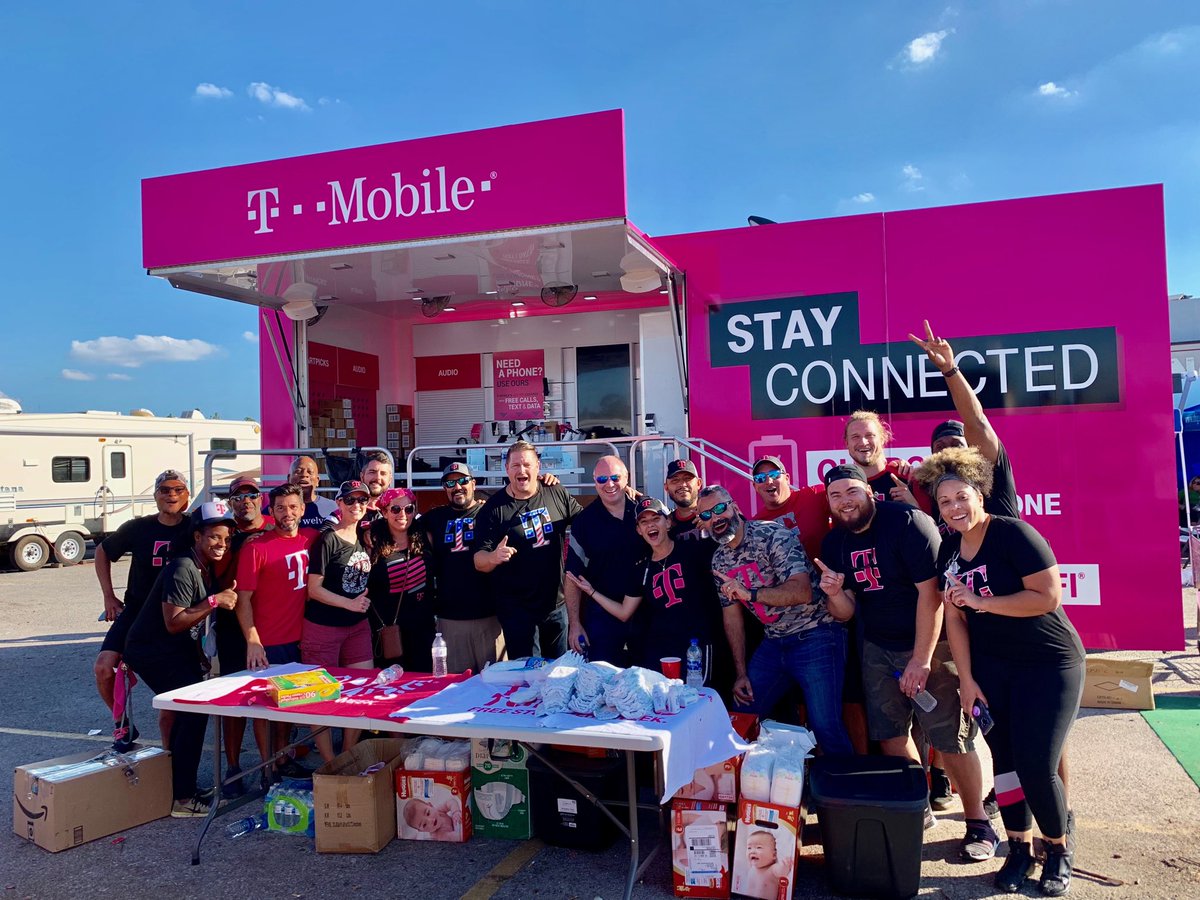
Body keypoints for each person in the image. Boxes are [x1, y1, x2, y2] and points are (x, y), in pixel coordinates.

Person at [910, 319, 1069, 827]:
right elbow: (951, 606)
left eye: (960, 450)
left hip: (1039, 649)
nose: (952, 458)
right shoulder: (948, 525)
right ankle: (1022, 835)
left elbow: (976, 424)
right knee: (1008, 755)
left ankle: (1060, 825)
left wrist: (951, 372)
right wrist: (971, 671)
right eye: (942, 454)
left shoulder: (995, 499)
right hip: (991, 658)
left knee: (1041, 752)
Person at [913, 447, 1084, 896]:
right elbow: (954, 617)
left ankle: (1058, 849)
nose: (954, 508)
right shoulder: (949, 546)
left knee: (1036, 763)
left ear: (980, 493)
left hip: (1048, 663)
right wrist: (967, 680)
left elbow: (1048, 597)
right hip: (991, 669)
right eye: (944, 502)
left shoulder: (1013, 534)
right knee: (1005, 765)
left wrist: (985, 603)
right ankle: (1019, 849)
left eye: (961, 497)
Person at [817, 463, 996, 860]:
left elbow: (930, 595)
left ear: (869, 492)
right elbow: (846, 612)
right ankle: (918, 807)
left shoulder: (907, 521)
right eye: (836, 496)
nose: (845, 502)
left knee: (950, 737)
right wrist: (833, 593)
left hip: (929, 643)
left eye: (852, 492)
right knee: (891, 735)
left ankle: (978, 822)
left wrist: (921, 659)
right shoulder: (834, 544)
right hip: (876, 649)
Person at [698, 485, 854, 756]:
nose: (716, 518)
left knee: (825, 725)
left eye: (720, 508)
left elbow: (802, 591)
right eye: (707, 514)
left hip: (816, 633)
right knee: (742, 714)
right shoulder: (720, 560)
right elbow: (731, 617)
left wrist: (751, 594)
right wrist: (741, 672)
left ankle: (845, 794)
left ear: (734, 506)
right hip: (774, 641)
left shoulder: (771, 534)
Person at [122, 501, 238, 817]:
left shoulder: (200, 567)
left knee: (189, 716)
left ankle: (177, 789)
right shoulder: (183, 567)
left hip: (173, 650)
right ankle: (183, 798)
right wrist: (216, 600)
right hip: (152, 651)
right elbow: (174, 621)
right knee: (192, 714)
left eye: (226, 539)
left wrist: (198, 654)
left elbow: (190, 622)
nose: (221, 545)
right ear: (197, 536)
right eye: (215, 536)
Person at [750, 454, 866, 754]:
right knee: (760, 711)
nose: (768, 482)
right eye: (760, 479)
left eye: (773, 474)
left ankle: (850, 786)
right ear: (755, 486)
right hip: (787, 627)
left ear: (787, 475)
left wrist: (895, 471)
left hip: (833, 612)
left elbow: (852, 500)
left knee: (836, 714)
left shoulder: (815, 495)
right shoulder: (756, 524)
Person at [93, 469, 192, 749]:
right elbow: (102, 551)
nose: (171, 495)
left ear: (187, 495)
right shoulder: (138, 527)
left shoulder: (194, 527)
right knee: (103, 668)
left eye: (178, 490)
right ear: (155, 495)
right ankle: (122, 722)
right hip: (137, 610)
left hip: (174, 614)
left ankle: (168, 760)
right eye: (164, 490)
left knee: (170, 695)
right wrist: (109, 597)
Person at [566, 497, 722, 673]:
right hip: (661, 649)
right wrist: (592, 591)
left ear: (668, 522)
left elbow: (725, 546)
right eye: (644, 522)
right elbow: (624, 612)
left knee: (694, 697)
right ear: (639, 530)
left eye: (656, 519)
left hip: (694, 646)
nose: (651, 525)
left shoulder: (692, 550)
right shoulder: (642, 568)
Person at [235, 483, 319, 780]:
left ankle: (282, 758)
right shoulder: (256, 548)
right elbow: (242, 601)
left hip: (302, 637)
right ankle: (266, 766)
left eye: (293, 506)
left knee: (290, 702)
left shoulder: (313, 539)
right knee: (266, 708)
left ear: (302, 509)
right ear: (272, 510)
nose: (288, 513)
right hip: (270, 640)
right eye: (281, 507)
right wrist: (253, 639)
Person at [473, 441, 582, 659]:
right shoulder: (493, 509)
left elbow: (586, 522)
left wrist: (620, 492)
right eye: (515, 465)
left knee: (558, 673)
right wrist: (494, 557)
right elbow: (478, 560)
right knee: (527, 678)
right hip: (517, 611)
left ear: (538, 467)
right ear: (506, 469)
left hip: (555, 606)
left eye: (527, 464)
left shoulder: (555, 492)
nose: (521, 470)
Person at [303, 480, 373, 762]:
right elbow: (314, 589)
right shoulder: (327, 538)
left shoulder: (364, 537)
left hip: (357, 627)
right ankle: (330, 762)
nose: (357, 505)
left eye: (362, 500)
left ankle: (347, 755)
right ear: (339, 504)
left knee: (361, 692)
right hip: (324, 627)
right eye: (351, 500)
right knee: (320, 696)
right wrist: (351, 603)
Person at [214, 475, 274, 794]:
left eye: (250, 495)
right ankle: (234, 768)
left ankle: (270, 766)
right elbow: (215, 575)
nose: (245, 502)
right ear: (231, 502)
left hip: (273, 622)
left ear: (261, 498)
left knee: (271, 697)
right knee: (235, 699)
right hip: (231, 626)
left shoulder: (275, 526)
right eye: (238, 497)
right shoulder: (225, 533)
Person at [420, 463, 504, 673]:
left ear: (473, 484)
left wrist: (544, 480)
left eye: (463, 480)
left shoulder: (491, 512)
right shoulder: (434, 518)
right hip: (450, 621)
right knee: (454, 688)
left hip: (490, 618)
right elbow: (399, 524)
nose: (457, 486)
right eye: (450, 482)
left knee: (496, 688)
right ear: (444, 489)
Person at [564, 455, 644, 665]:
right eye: (602, 479)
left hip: (646, 611)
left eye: (615, 477)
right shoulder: (584, 522)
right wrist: (574, 624)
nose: (609, 484)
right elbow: (572, 577)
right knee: (602, 680)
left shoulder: (645, 511)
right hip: (602, 615)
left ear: (626, 478)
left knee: (649, 680)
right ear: (594, 481)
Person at [367, 487, 435, 672]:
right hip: (391, 633)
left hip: (423, 629)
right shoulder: (372, 543)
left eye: (409, 509)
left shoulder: (426, 536)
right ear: (384, 512)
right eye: (395, 509)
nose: (402, 514)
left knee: (423, 683)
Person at [843, 410, 923, 508]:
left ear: (882, 439)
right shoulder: (842, 486)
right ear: (847, 443)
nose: (863, 442)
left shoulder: (908, 478)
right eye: (855, 437)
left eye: (870, 435)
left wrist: (913, 507)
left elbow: (932, 522)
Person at [288, 455, 338, 530]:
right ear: (289, 478)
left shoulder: (334, 508)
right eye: (298, 471)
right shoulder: (277, 508)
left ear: (317, 481)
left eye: (310, 472)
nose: (304, 475)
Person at [664, 459, 704, 538]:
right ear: (666, 488)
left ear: (699, 483)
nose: (682, 484)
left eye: (687, 478)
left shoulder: (714, 516)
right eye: (675, 480)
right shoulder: (666, 525)